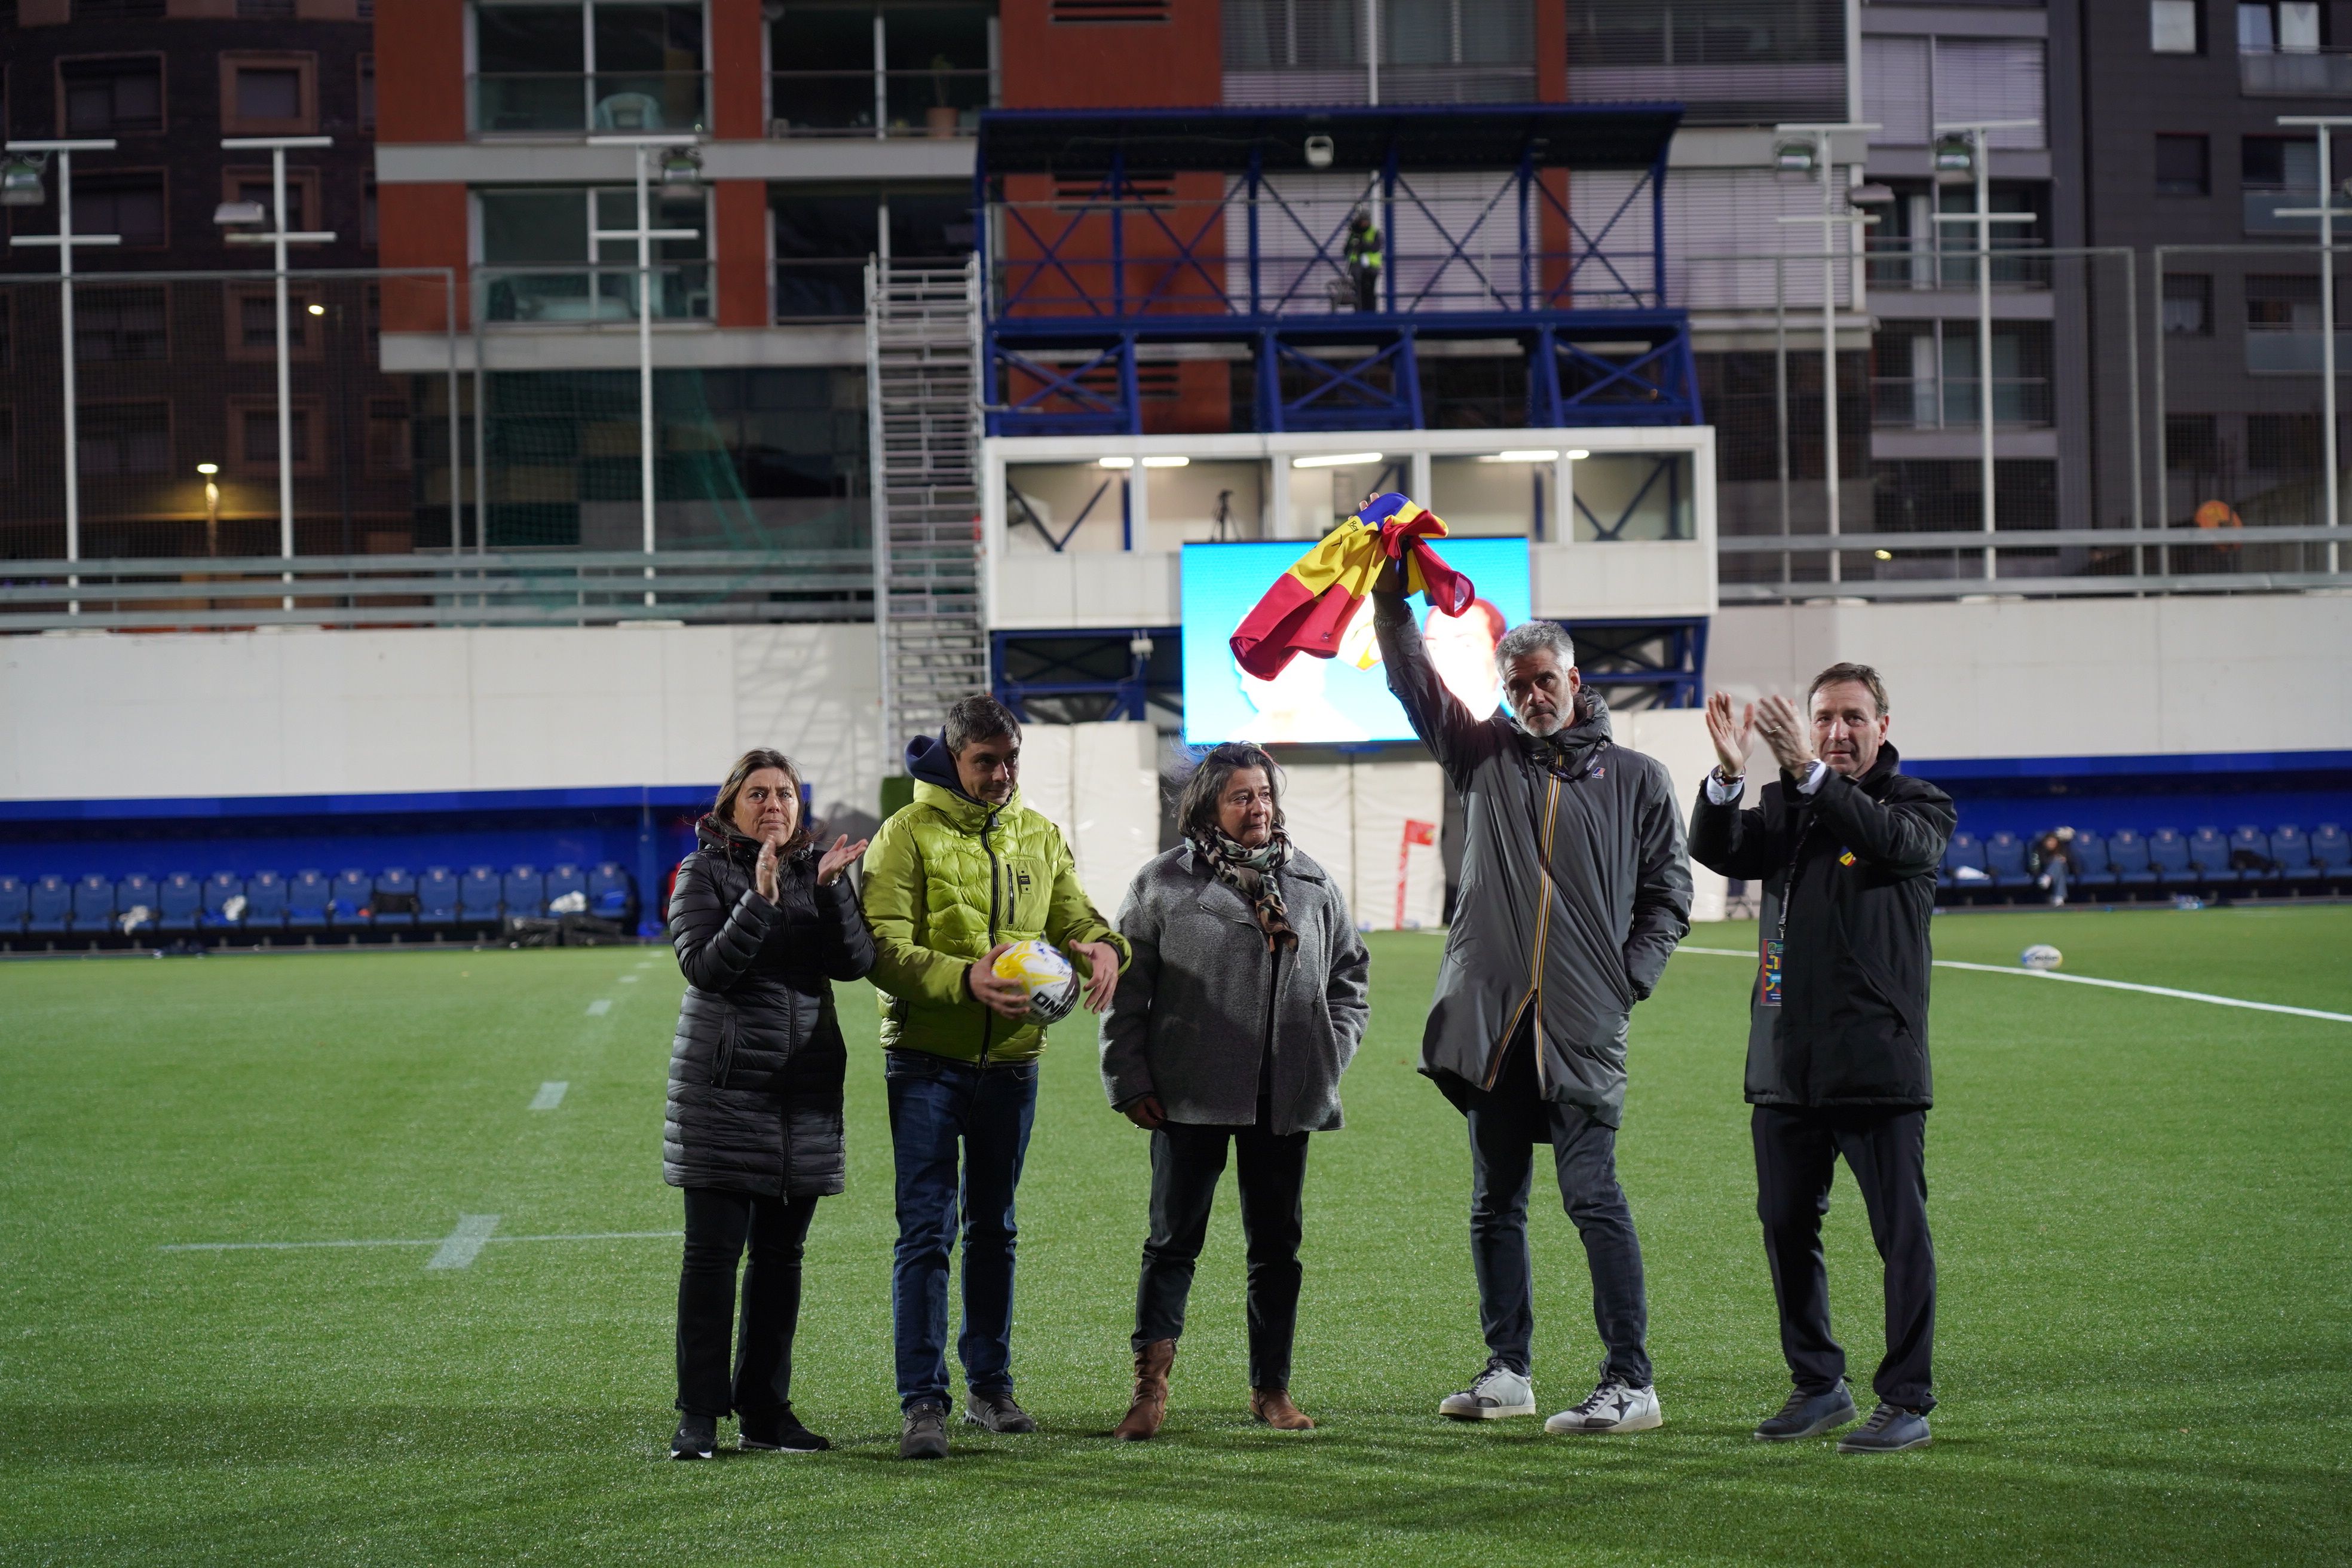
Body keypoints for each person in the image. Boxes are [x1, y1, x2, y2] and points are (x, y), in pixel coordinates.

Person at [1370, 579, 1691, 1436]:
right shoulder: (1482, 756)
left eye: (1545, 680)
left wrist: (1630, 977)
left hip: (1584, 1024)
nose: (1532, 697)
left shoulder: (1638, 779)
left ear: (1575, 681)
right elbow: (1413, 683)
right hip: (1493, 1025)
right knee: (1494, 1203)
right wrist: (1393, 607)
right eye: (1517, 687)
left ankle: (1632, 1383)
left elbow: (1670, 892)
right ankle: (1509, 1371)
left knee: (1593, 1198)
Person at [1689, 666, 1955, 1454]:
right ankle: (1818, 1384)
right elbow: (1719, 851)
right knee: (1785, 1226)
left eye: (1851, 718)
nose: (1837, 733)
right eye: (1824, 719)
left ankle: (1906, 1398)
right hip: (1786, 1063)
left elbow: (1887, 844)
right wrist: (1730, 776)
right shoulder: (1785, 806)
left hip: (1877, 1062)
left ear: (1882, 724)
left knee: (1899, 1235)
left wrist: (1806, 771)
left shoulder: (1918, 806)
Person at [860, 693, 1131, 1460]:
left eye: (1011, 759)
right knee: (925, 1230)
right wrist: (962, 978)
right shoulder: (904, 835)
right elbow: (878, 945)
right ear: (955, 758)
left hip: (1013, 1063)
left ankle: (990, 1386)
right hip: (924, 1062)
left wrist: (1104, 945)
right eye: (986, 762)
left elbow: (1074, 918)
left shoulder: (1037, 833)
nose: (1002, 774)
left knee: (995, 1228)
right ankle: (922, 1400)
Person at [1098, 743, 1370, 1440]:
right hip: (1186, 1094)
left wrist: (1328, 1054)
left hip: (1286, 1098)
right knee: (1172, 1241)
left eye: (1265, 795)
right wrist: (1128, 1079)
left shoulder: (1311, 882)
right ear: (1207, 806)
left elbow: (1349, 978)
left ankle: (1271, 1389)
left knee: (1276, 1247)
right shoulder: (1162, 883)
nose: (1258, 808)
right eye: (1241, 796)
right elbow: (1128, 993)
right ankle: (1150, 1388)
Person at [663, 748, 872, 1460]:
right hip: (724, 1092)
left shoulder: (818, 870)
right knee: (712, 1259)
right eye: (757, 793)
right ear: (730, 807)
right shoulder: (702, 872)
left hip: (802, 1093)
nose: (773, 804)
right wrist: (759, 898)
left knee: (782, 1259)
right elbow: (706, 966)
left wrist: (837, 890)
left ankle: (764, 1409)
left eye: (784, 792)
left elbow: (854, 963)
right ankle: (698, 1412)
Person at [1345, 208, 1382, 313]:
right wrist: (1353, 244)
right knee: (1358, 292)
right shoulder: (1354, 233)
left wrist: (1363, 244)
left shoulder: (1374, 232)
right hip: (1357, 268)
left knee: (1370, 292)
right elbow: (1346, 250)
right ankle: (1359, 312)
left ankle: (1371, 313)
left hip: (1371, 268)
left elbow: (1376, 247)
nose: (1364, 224)